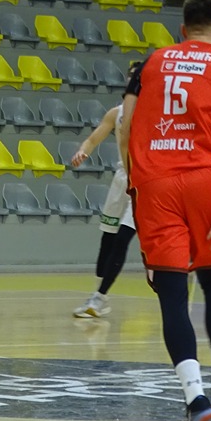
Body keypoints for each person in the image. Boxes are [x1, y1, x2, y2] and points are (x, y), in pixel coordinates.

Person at [120, 0, 211, 421]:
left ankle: (197, 403)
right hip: (204, 180)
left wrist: (134, 180)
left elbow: (125, 125)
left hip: (155, 183)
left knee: (173, 294)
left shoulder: (150, 62)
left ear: (182, 29)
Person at [71, 102, 136, 318]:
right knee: (108, 239)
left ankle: (100, 297)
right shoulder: (117, 112)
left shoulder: (155, 111)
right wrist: (83, 151)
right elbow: (92, 140)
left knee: (123, 239)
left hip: (143, 181)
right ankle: (98, 294)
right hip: (121, 180)